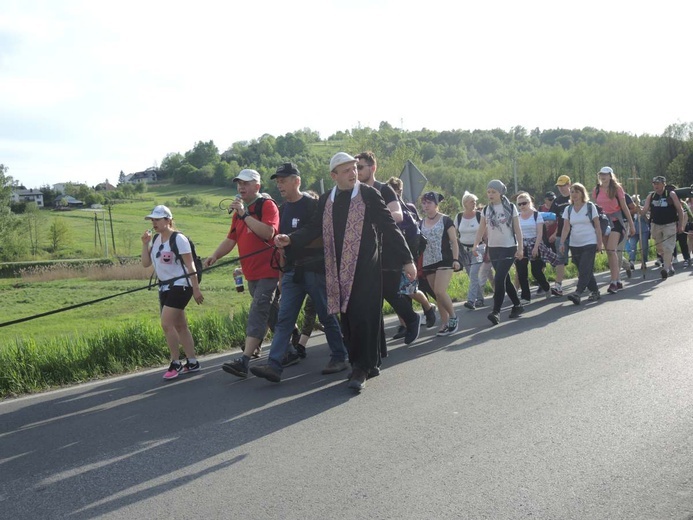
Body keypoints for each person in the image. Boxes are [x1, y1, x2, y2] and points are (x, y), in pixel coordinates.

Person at [275, 152, 416, 392]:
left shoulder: (368, 194)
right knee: (348, 318)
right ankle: (368, 362)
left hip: (366, 268)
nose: (353, 173)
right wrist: (290, 239)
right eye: (347, 170)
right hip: (337, 269)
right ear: (334, 175)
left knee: (364, 315)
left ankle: (360, 368)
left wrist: (407, 259)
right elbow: (313, 228)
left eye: (355, 168)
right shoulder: (327, 200)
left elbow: (389, 227)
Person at [250, 163, 349, 383]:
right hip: (292, 272)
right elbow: (281, 244)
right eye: (277, 181)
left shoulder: (314, 205)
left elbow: (323, 234)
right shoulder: (283, 210)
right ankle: (275, 365)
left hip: (316, 269)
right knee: (285, 318)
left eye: (283, 180)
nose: (280, 185)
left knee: (326, 314)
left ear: (297, 181)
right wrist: (281, 274)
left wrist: (293, 239)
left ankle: (340, 356)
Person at [204, 169, 280, 378]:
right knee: (271, 312)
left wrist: (245, 214)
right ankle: (292, 344)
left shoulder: (267, 205)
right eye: (239, 183)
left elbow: (268, 233)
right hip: (251, 273)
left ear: (257, 186)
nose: (241, 187)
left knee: (258, 310)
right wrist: (215, 256)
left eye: (245, 183)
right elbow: (231, 239)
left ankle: (244, 360)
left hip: (269, 271)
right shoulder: (239, 213)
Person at [355, 151, 422, 346]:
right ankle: (377, 344)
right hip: (366, 251)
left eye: (360, 167)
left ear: (372, 168)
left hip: (389, 249)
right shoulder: (355, 192)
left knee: (389, 291)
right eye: (354, 168)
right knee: (372, 296)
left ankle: (411, 318)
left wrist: (370, 219)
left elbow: (397, 214)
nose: (356, 172)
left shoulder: (384, 189)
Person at [141, 205, 203, 380]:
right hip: (165, 287)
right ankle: (192, 362)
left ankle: (175, 362)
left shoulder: (179, 239)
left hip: (182, 285)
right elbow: (146, 263)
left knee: (166, 324)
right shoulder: (155, 240)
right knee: (180, 325)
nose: (154, 223)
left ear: (168, 220)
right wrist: (145, 244)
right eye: (152, 220)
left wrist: (196, 289)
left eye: (157, 219)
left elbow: (190, 266)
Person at [386, 176, 438, 332]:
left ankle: (428, 307)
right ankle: (404, 325)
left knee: (409, 288)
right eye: (394, 191)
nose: (397, 194)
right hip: (391, 253)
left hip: (408, 253)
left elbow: (417, 230)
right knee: (395, 291)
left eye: (399, 191)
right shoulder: (385, 206)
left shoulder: (409, 208)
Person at [473, 180, 523, 326]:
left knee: (499, 278)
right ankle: (517, 305)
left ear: (500, 192)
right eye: (488, 192)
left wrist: (520, 248)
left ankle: (496, 311)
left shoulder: (511, 207)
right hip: (493, 248)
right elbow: (481, 229)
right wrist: (475, 245)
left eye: (493, 192)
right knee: (505, 279)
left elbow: (517, 229)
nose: (490, 194)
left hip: (509, 247)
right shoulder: (486, 210)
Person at [419, 191, 460, 336]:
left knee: (440, 291)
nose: (426, 206)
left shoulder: (446, 220)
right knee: (437, 295)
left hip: (445, 260)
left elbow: (454, 241)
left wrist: (456, 259)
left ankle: (454, 317)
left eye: (429, 202)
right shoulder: (421, 222)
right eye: (424, 203)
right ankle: (444, 322)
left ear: (436, 204)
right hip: (428, 262)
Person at [559, 183, 604, 304]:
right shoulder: (568, 209)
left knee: (585, 268)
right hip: (575, 244)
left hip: (589, 242)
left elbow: (598, 226)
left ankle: (578, 293)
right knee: (585, 270)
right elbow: (566, 228)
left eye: (577, 192)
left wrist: (599, 243)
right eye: (572, 192)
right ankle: (595, 291)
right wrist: (562, 243)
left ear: (582, 193)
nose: (574, 194)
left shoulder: (590, 207)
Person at [592, 167, 635, 293]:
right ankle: (617, 280)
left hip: (616, 221)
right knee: (610, 253)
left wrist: (631, 225)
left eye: (605, 174)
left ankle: (614, 281)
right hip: (603, 222)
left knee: (611, 250)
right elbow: (596, 208)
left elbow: (624, 207)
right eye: (601, 174)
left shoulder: (617, 189)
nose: (603, 176)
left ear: (610, 176)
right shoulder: (596, 190)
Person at [640, 175, 684, 279]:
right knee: (660, 248)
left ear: (664, 184)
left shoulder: (671, 194)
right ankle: (669, 264)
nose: (656, 186)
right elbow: (644, 211)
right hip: (655, 225)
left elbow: (680, 210)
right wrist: (638, 208)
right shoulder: (651, 196)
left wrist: (681, 225)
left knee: (668, 247)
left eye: (658, 183)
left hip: (670, 224)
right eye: (654, 184)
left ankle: (666, 269)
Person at [514, 192, 551, 303]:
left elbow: (539, 233)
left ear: (530, 203)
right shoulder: (517, 217)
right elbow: (516, 233)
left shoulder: (536, 215)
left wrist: (536, 248)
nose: (522, 206)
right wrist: (518, 247)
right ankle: (525, 296)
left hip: (535, 243)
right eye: (519, 204)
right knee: (521, 271)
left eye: (524, 203)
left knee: (536, 271)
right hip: (522, 244)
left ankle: (546, 287)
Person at [454, 190, 485, 310]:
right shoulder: (459, 217)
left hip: (479, 249)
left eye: (475, 201)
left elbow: (485, 233)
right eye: (472, 201)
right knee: (471, 275)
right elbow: (454, 233)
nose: (474, 203)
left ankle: (471, 300)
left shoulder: (479, 215)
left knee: (473, 273)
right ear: (465, 203)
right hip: (464, 250)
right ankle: (480, 299)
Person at [549, 175, 572, 296]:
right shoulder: (557, 202)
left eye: (563, 185)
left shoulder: (576, 197)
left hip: (576, 233)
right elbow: (552, 218)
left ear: (569, 184)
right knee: (560, 260)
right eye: (559, 186)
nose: (562, 188)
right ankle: (558, 285)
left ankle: (586, 282)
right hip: (561, 235)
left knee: (579, 259)